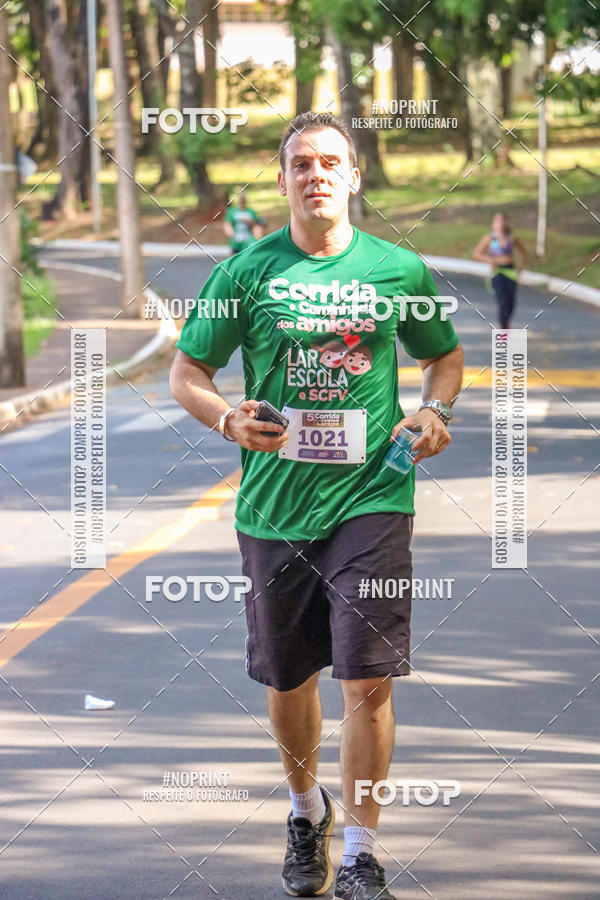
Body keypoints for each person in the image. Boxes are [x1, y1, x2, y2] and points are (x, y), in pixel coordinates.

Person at [170, 111, 464, 900]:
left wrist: (436, 411)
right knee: (288, 679)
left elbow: (443, 356)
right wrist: (227, 417)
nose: (317, 175)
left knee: (368, 680)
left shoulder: (397, 270)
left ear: (355, 177)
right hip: (273, 508)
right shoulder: (245, 274)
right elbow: (187, 371)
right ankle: (307, 812)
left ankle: (363, 854)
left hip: (373, 497)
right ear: (282, 180)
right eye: (301, 164)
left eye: (331, 162)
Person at [473, 212, 527, 328]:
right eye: (497, 221)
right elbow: (476, 254)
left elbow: (523, 252)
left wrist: (520, 268)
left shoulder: (511, 238)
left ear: (506, 223)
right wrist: (489, 260)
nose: (500, 223)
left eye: (502, 220)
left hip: (510, 272)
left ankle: (506, 324)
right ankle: (504, 332)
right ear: (493, 224)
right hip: (497, 272)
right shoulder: (489, 238)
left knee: (511, 303)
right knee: (503, 303)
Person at [222, 190, 266, 255]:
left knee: (250, 250)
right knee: (235, 253)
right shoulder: (231, 211)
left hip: (249, 236)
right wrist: (232, 234)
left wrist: (250, 222)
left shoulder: (251, 211)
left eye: (243, 199)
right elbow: (227, 224)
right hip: (237, 236)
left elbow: (257, 225)